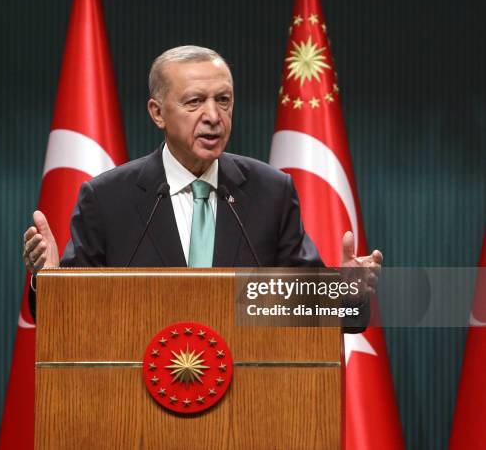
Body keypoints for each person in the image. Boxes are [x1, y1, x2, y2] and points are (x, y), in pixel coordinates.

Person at [22, 46, 381, 327]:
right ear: (157, 112)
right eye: (195, 102)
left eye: (223, 100)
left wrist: (345, 292)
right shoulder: (107, 199)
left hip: (248, 408)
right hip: (136, 409)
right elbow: (70, 318)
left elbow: (306, 310)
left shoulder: (269, 192)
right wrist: (50, 281)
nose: (213, 116)